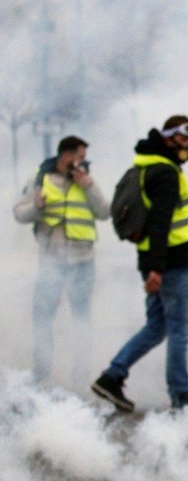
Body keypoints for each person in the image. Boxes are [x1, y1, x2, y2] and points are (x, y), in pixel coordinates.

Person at [91, 115, 188, 413]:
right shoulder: (165, 173)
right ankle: (182, 394)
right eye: (183, 139)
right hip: (171, 263)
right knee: (178, 330)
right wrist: (158, 270)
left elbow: (172, 218)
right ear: (169, 138)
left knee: (157, 327)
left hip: (158, 258)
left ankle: (112, 377)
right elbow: (159, 224)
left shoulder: (152, 164)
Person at [12, 135, 111, 386]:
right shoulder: (40, 179)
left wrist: (88, 186)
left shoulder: (87, 181)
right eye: (80, 157)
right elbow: (19, 214)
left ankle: (81, 375)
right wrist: (36, 206)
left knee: (82, 319)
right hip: (51, 262)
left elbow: (104, 212)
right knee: (43, 317)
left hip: (82, 261)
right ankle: (41, 373)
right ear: (65, 156)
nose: (83, 163)